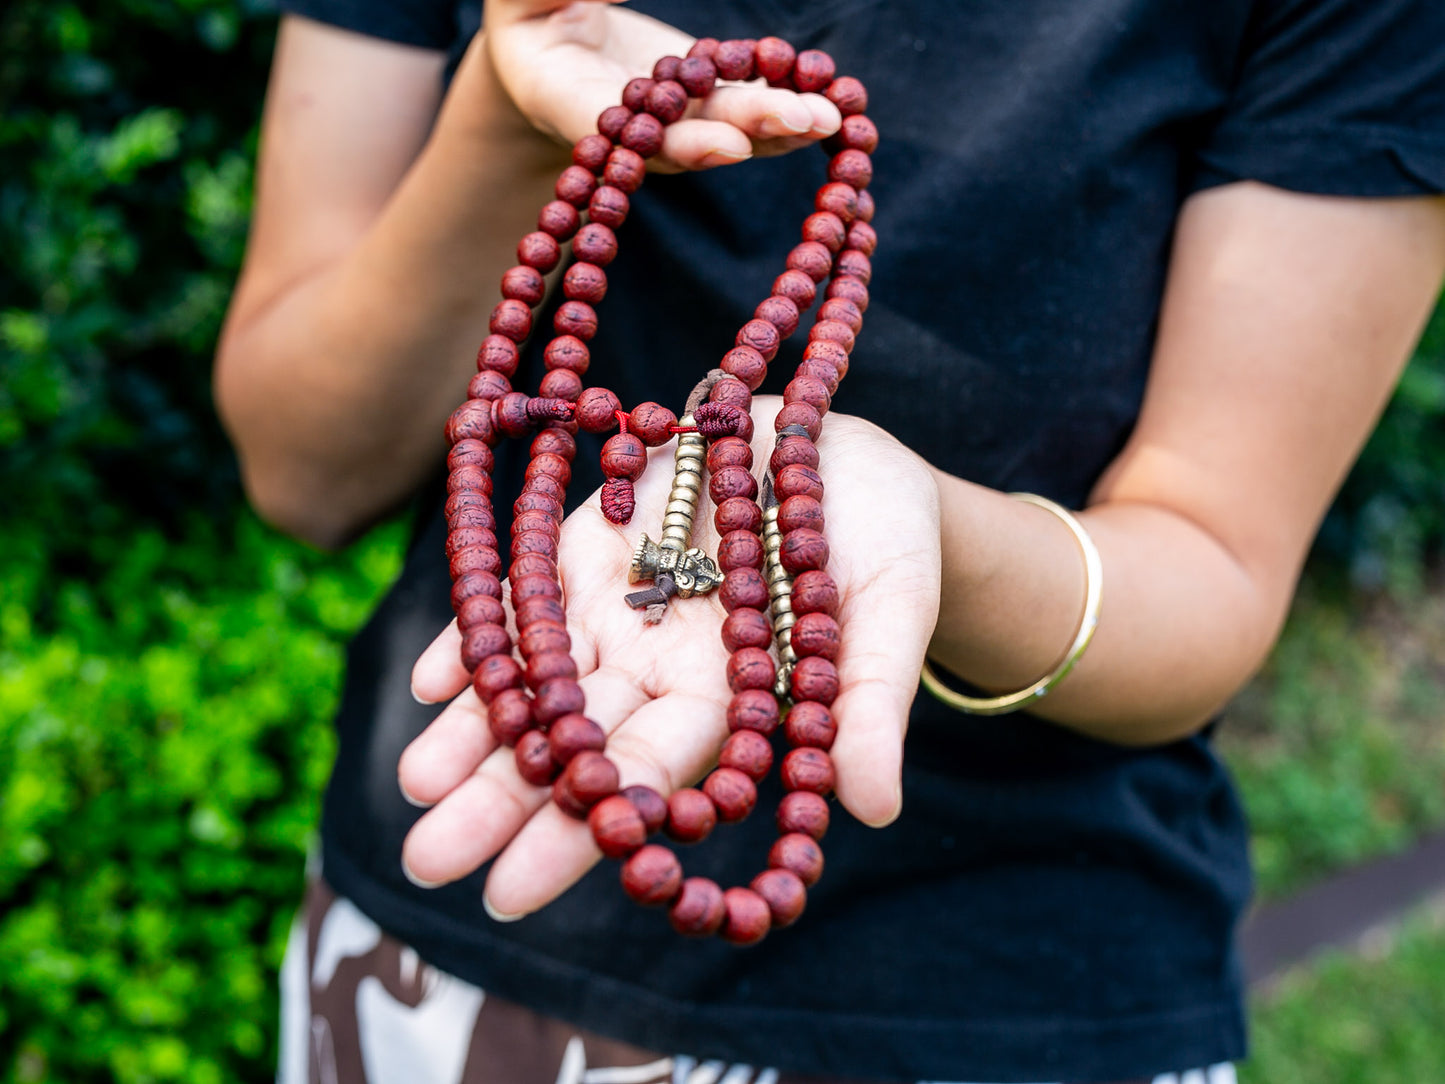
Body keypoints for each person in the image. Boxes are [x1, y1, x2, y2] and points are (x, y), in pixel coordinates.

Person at [214, 1, 1445, 1081]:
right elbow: (301, 468)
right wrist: (501, 108)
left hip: (996, 1015)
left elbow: (1212, 564)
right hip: (426, 985)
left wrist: (928, 529)